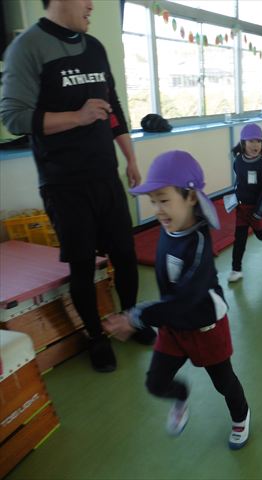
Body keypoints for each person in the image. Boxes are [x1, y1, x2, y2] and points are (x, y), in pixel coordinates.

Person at [0, 0, 155, 373]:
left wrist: (130, 158)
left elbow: (113, 107)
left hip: (106, 175)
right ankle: (96, 337)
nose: (91, 5)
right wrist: (77, 116)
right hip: (64, 184)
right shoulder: (27, 47)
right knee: (82, 265)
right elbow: (14, 117)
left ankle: (130, 318)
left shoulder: (94, 47)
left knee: (125, 253)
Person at [104, 150, 251, 449]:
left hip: (205, 327)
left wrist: (136, 316)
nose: (158, 210)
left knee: (224, 382)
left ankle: (241, 416)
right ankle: (181, 396)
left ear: (191, 197)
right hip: (173, 325)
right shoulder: (169, 228)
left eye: (164, 200)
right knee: (155, 383)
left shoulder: (198, 245)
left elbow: (186, 299)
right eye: (153, 201)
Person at [228, 123, 262, 283]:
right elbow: (239, 181)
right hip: (242, 209)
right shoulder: (238, 161)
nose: (255, 145)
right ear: (243, 142)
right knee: (239, 239)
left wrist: (260, 211)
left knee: (261, 235)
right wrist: (234, 198)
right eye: (251, 141)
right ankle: (236, 269)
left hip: (257, 209)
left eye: (258, 141)